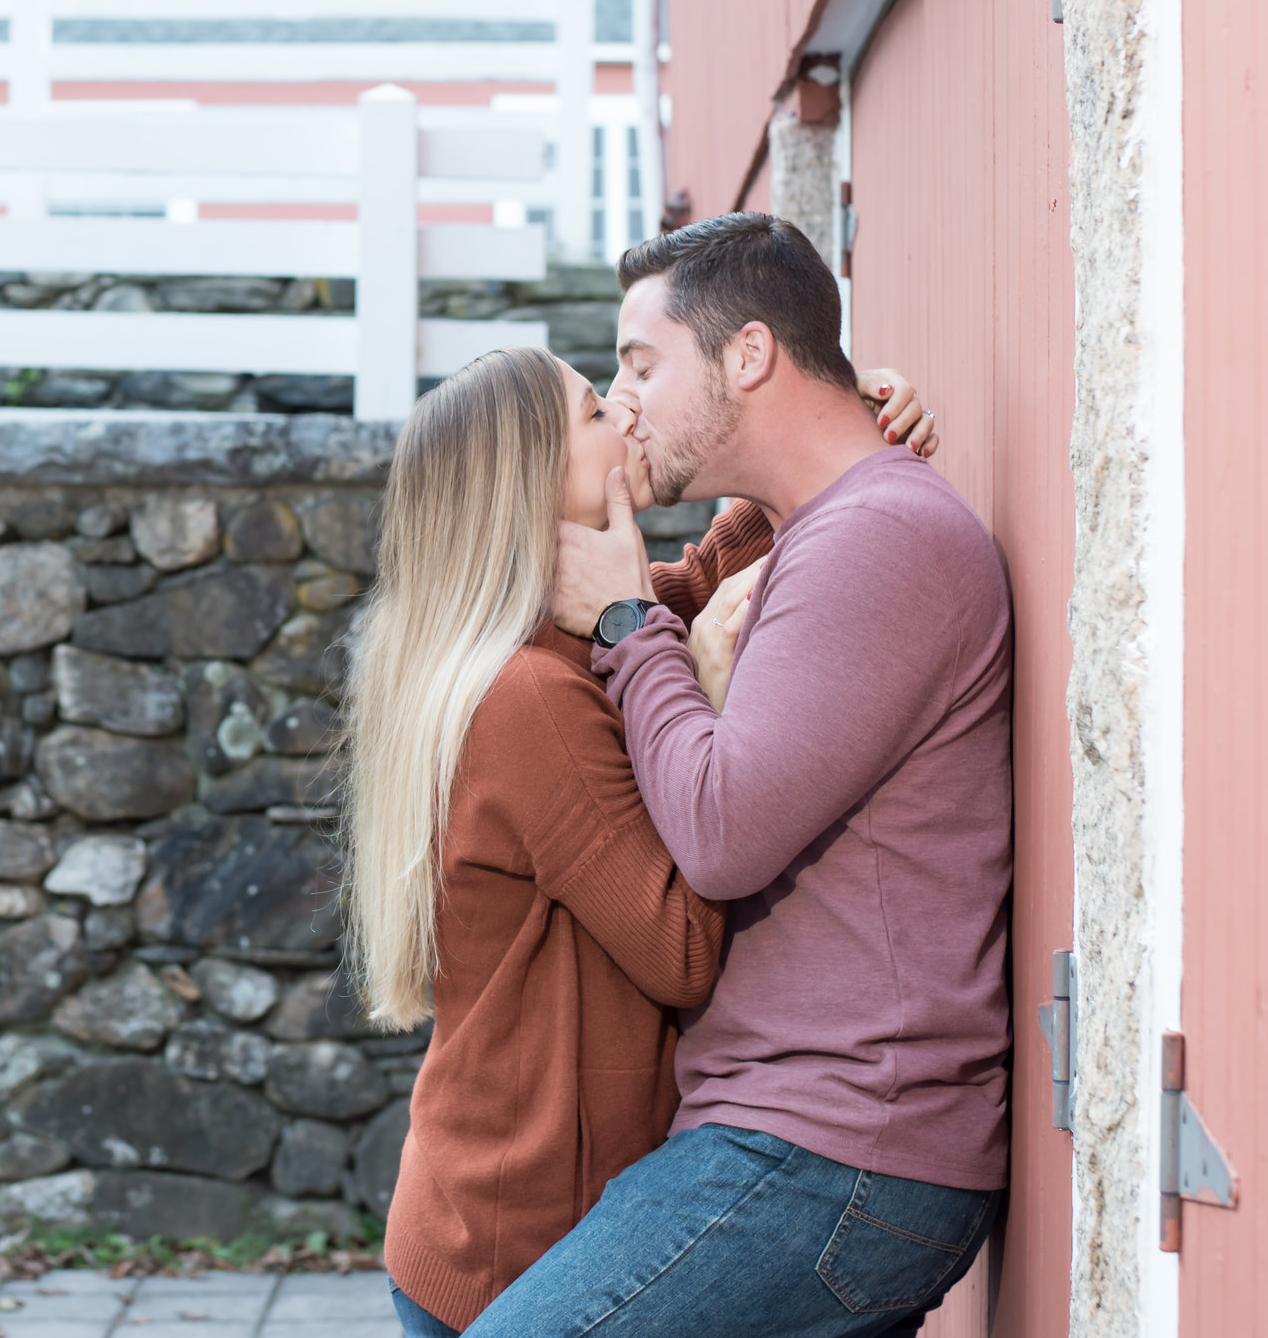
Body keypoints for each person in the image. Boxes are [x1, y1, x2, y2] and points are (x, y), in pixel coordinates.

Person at [459, 213, 1012, 1338]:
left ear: (748, 354)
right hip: (792, 1138)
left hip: (832, 1148)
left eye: (640, 363)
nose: (623, 402)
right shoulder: (828, 530)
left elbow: (718, 835)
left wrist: (624, 618)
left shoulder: (879, 537)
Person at [341, 340, 943, 1338]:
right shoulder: (529, 695)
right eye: (590, 412)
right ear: (529, 487)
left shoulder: (546, 641)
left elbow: (698, 579)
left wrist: (846, 426)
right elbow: (679, 948)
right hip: (521, 1243)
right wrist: (700, 698)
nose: (623, 413)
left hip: (484, 1209)